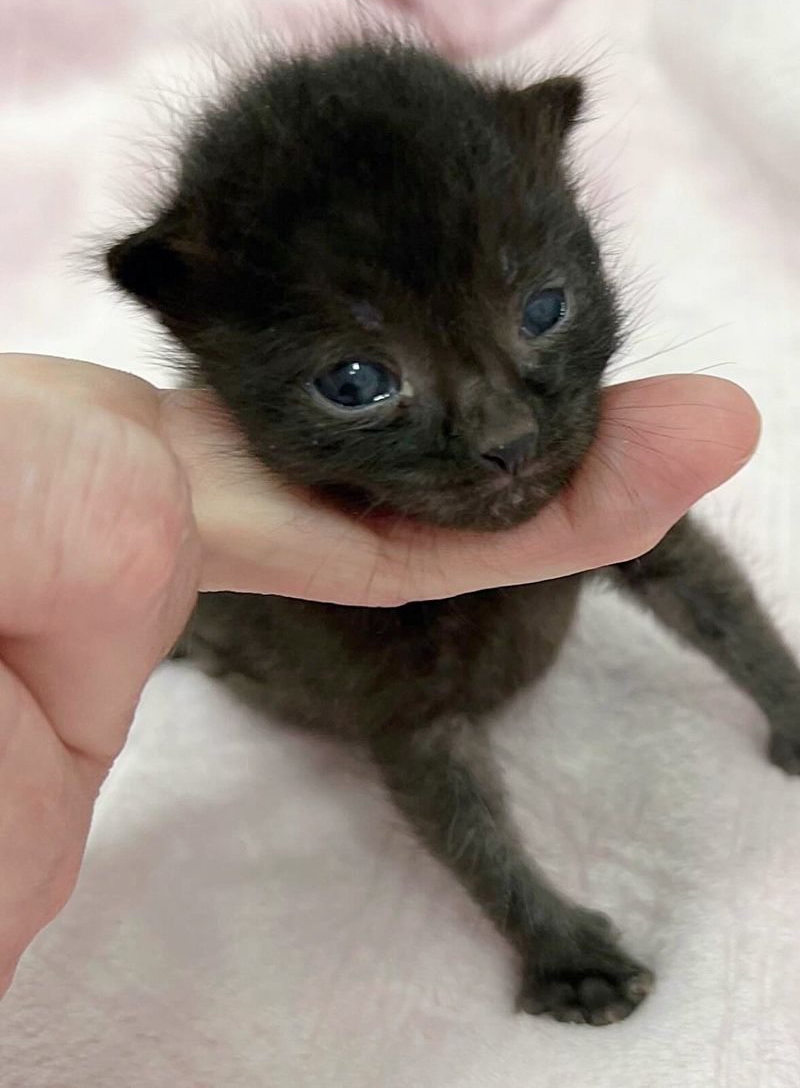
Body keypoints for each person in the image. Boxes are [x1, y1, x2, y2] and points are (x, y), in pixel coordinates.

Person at [0, 353, 758, 995]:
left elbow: (675, 566)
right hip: (283, 663)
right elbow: (418, 730)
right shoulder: (247, 522)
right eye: (356, 382)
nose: (504, 433)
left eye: (541, 312)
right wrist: (547, 941)